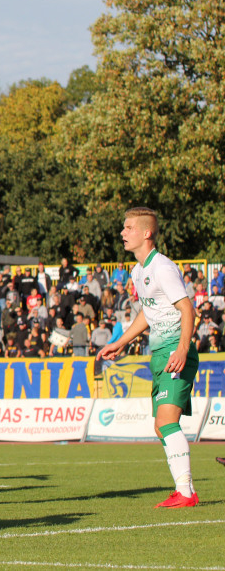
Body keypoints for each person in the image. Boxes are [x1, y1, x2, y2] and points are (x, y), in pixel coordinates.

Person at [97, 207, 199, 508]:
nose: (122, 233)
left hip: (174, 351)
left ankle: (186, 493)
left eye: (128, 228)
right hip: (159, 352)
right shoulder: (138, 271)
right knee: (161, 425)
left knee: (167, 422)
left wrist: (182, 349)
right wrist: (122, 342)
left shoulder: (162, 268)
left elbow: (187, 309)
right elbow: (148, 313)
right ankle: (184, 489)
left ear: (146, 233)